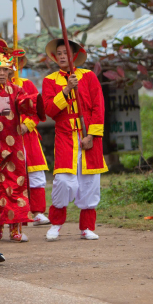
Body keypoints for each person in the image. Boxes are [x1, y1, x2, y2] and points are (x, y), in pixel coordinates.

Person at [42, 38, 107, 241]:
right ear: (55, 57)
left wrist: (91, 135)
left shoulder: (88, 76)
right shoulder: (50, 80)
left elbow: (98, 106)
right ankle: (56, 224)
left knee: (90, 183)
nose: (63, 57)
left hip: (88, 135)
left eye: (66, 53)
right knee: (63, 181)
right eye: (59, 53)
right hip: (65, 135)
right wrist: (67, 89)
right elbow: (50, 110)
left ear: (75, 56)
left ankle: (87, 227)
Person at [0, 39, 34, 242]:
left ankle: (16, 228)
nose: (2, 73)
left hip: (14, 144)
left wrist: (27, 121)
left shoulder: (17, 90)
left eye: (5, 69)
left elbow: (31, 110)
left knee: (16, 186)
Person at [10, 54, 51, 225]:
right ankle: (17, 213)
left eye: (13, 63)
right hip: (9, 137)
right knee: (12, 175)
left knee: (35, 173)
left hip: (28, 136)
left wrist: (27, 125)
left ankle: (38, 211)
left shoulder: (26, 84)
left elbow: (36, 110)